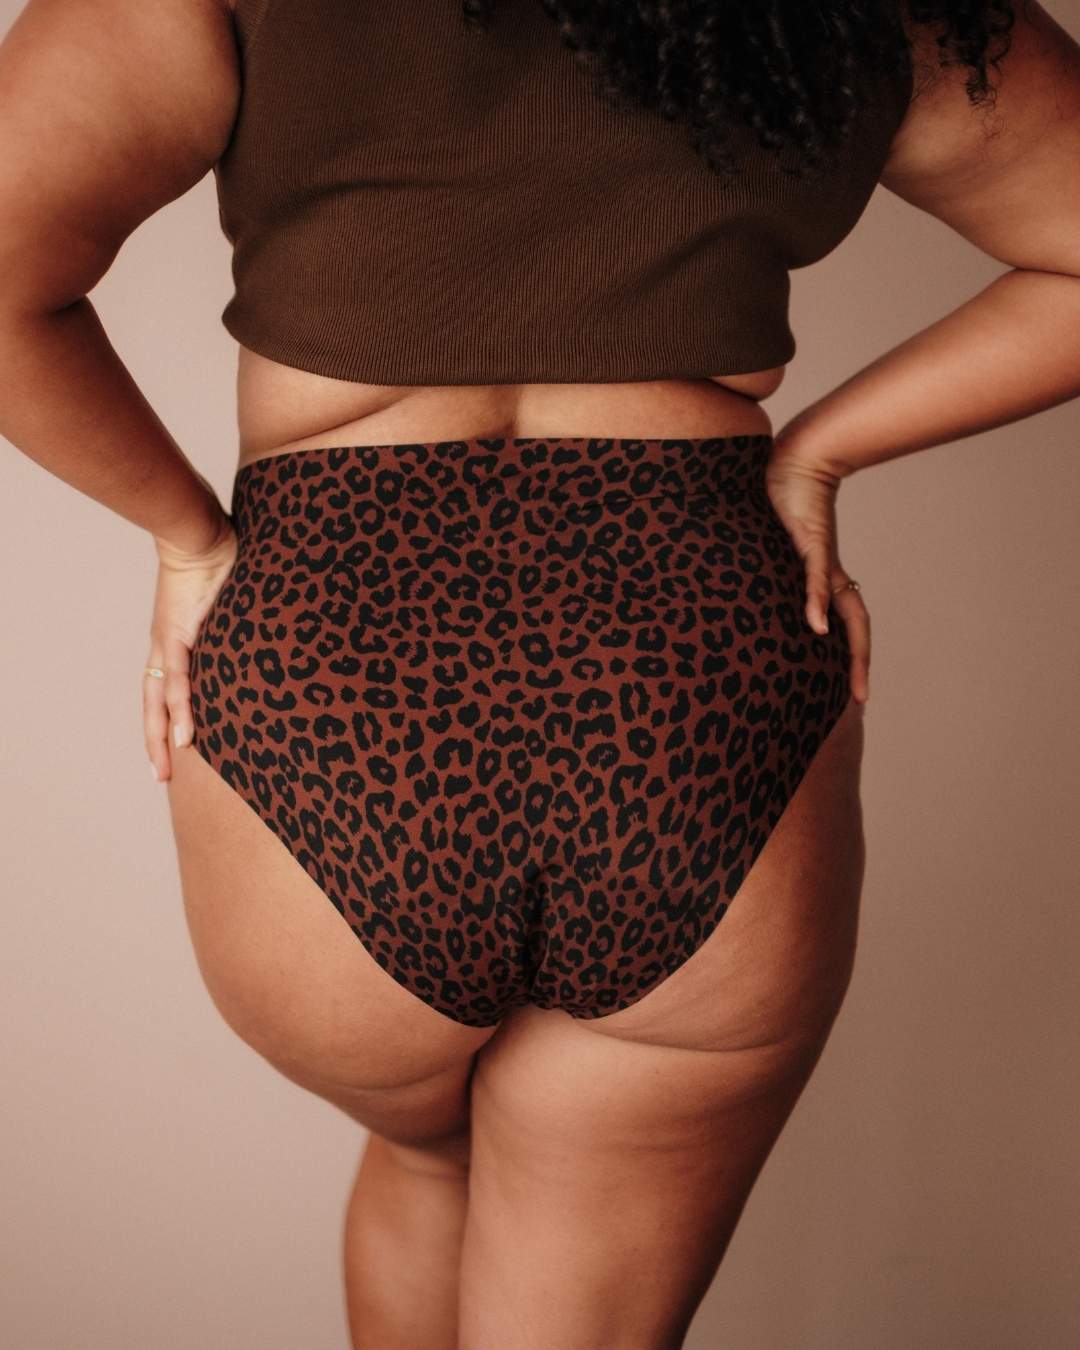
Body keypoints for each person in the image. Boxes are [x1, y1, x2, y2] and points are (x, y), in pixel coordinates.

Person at [2, 0, 1077, 1345]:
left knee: (425, 1162)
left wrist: (188, 539)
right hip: (693, 689)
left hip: (335, 686)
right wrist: (816, 452)